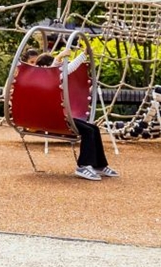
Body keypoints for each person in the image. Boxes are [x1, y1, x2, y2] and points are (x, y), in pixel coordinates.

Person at [32, 53, 116, 181]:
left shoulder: (49, 78)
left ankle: (99, 165)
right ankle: (84, 165)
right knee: (87, 131)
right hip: (55, 119)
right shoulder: (46, 78)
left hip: (60, 117)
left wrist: (82, 54)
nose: (59, 68)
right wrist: (64, 56)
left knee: (93, 128)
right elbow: (65, 68)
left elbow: (64, 70)